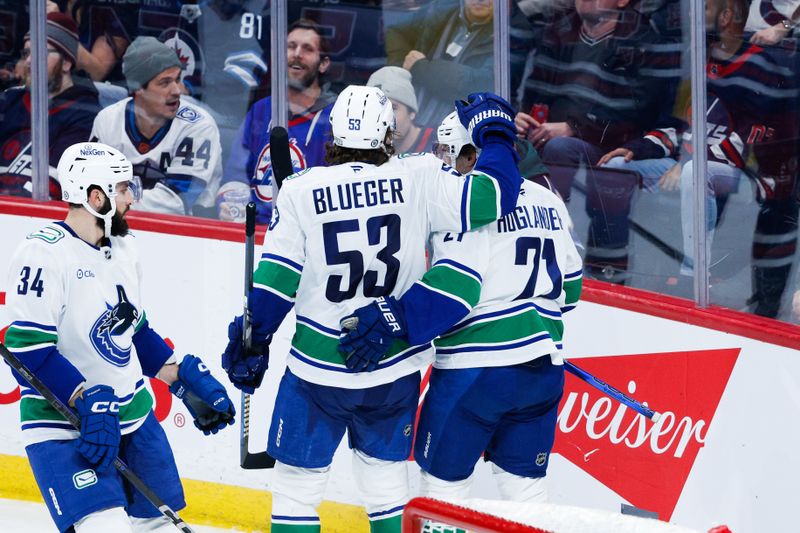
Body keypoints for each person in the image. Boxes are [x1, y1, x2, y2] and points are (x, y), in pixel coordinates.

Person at [220, 86, 522, 533]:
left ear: (332, 134)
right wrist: (496, 134)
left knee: (297, 490)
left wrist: (252, 339)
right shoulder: (420, 175)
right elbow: (494, 197)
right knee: (386, 488)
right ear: (388, 134)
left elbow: (276, 283)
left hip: (319, 371)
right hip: (393, 365)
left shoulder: (302, 190)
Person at [339, 111, 583, 504]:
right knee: (526, 492)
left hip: (475, 372)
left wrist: (395, 317)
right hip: (543, 369)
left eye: (446, 151)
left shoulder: (463, 202)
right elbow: (571, 291)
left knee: (442, 491)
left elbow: (455, 289)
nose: (440, 160)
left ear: (472, 156)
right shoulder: (547, 199)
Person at [3, 142, 235, 532]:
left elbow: (133, 331)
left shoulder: (124, 248)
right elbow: (26, 352)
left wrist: (175, 375)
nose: (131, 199)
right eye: (124, 189)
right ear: (96, 197)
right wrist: (83, 398)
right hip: (63, 425)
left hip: (134, 417)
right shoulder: (42, 255)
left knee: (157, 527)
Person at [514, 0, 680, 284]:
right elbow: (536, 90)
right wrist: (523, 118)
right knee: (509, 147)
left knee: (563, 150)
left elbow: (636, 113)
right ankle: (527, 246)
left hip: (609, 145)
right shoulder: (560, 31)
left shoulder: (644, 41)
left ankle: (590, 261)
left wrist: (575, 128)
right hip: (553, 136)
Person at [219, 18, 336, 224]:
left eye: (307, 49)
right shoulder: (261, 110)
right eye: (291, 46)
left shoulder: (334, 118)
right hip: (253, 230)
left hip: (304, 236)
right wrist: (231, 206)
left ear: (324, 64)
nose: (297, 54)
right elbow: (236, 177)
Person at [90, 36, 223, 217]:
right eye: (165, 83)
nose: (177, 91)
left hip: (188, 234)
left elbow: (176, 201)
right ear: (138, 88)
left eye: (177, 79)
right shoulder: (108, 121)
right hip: (117, 224)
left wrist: (113, 202)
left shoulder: (198, 127)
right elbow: (92, 185)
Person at [0, 12, 100, 198]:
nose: (29, 60)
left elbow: (55, 186)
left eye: (40, 51)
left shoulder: (86, 114)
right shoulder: (9, 100)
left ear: (67, 63)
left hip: (35, 217)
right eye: (27, 53)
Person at [386, 0, 495, 128]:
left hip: (458, 130)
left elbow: (481, 84)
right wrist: (403, 74)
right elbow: (396, 31)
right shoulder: (441, 9)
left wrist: (420, 68)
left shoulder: (512, 29)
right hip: (413, 120)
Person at [367, 66, 435, 153]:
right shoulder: (366, 149)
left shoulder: (438, 145)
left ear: (412, 113)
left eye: (393, 108)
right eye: (376, 110)